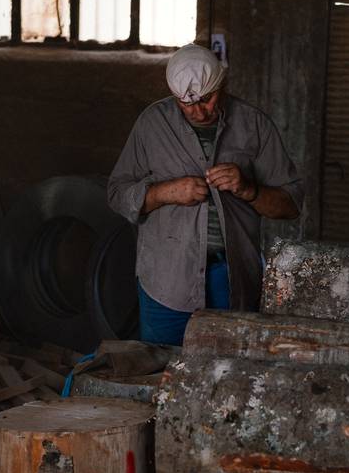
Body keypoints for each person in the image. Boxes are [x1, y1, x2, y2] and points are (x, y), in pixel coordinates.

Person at [107, 43, 303, 345]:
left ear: (222, 85)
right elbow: (116, 193)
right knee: (161, 366)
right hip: (167, 281)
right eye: (186, 104)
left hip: (233, 280)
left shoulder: (254, 125)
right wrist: (165, 192)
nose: (198, 112)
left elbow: (290, 206)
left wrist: (248, 189)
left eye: (207, 100)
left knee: (227, 368)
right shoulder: (152, 124)